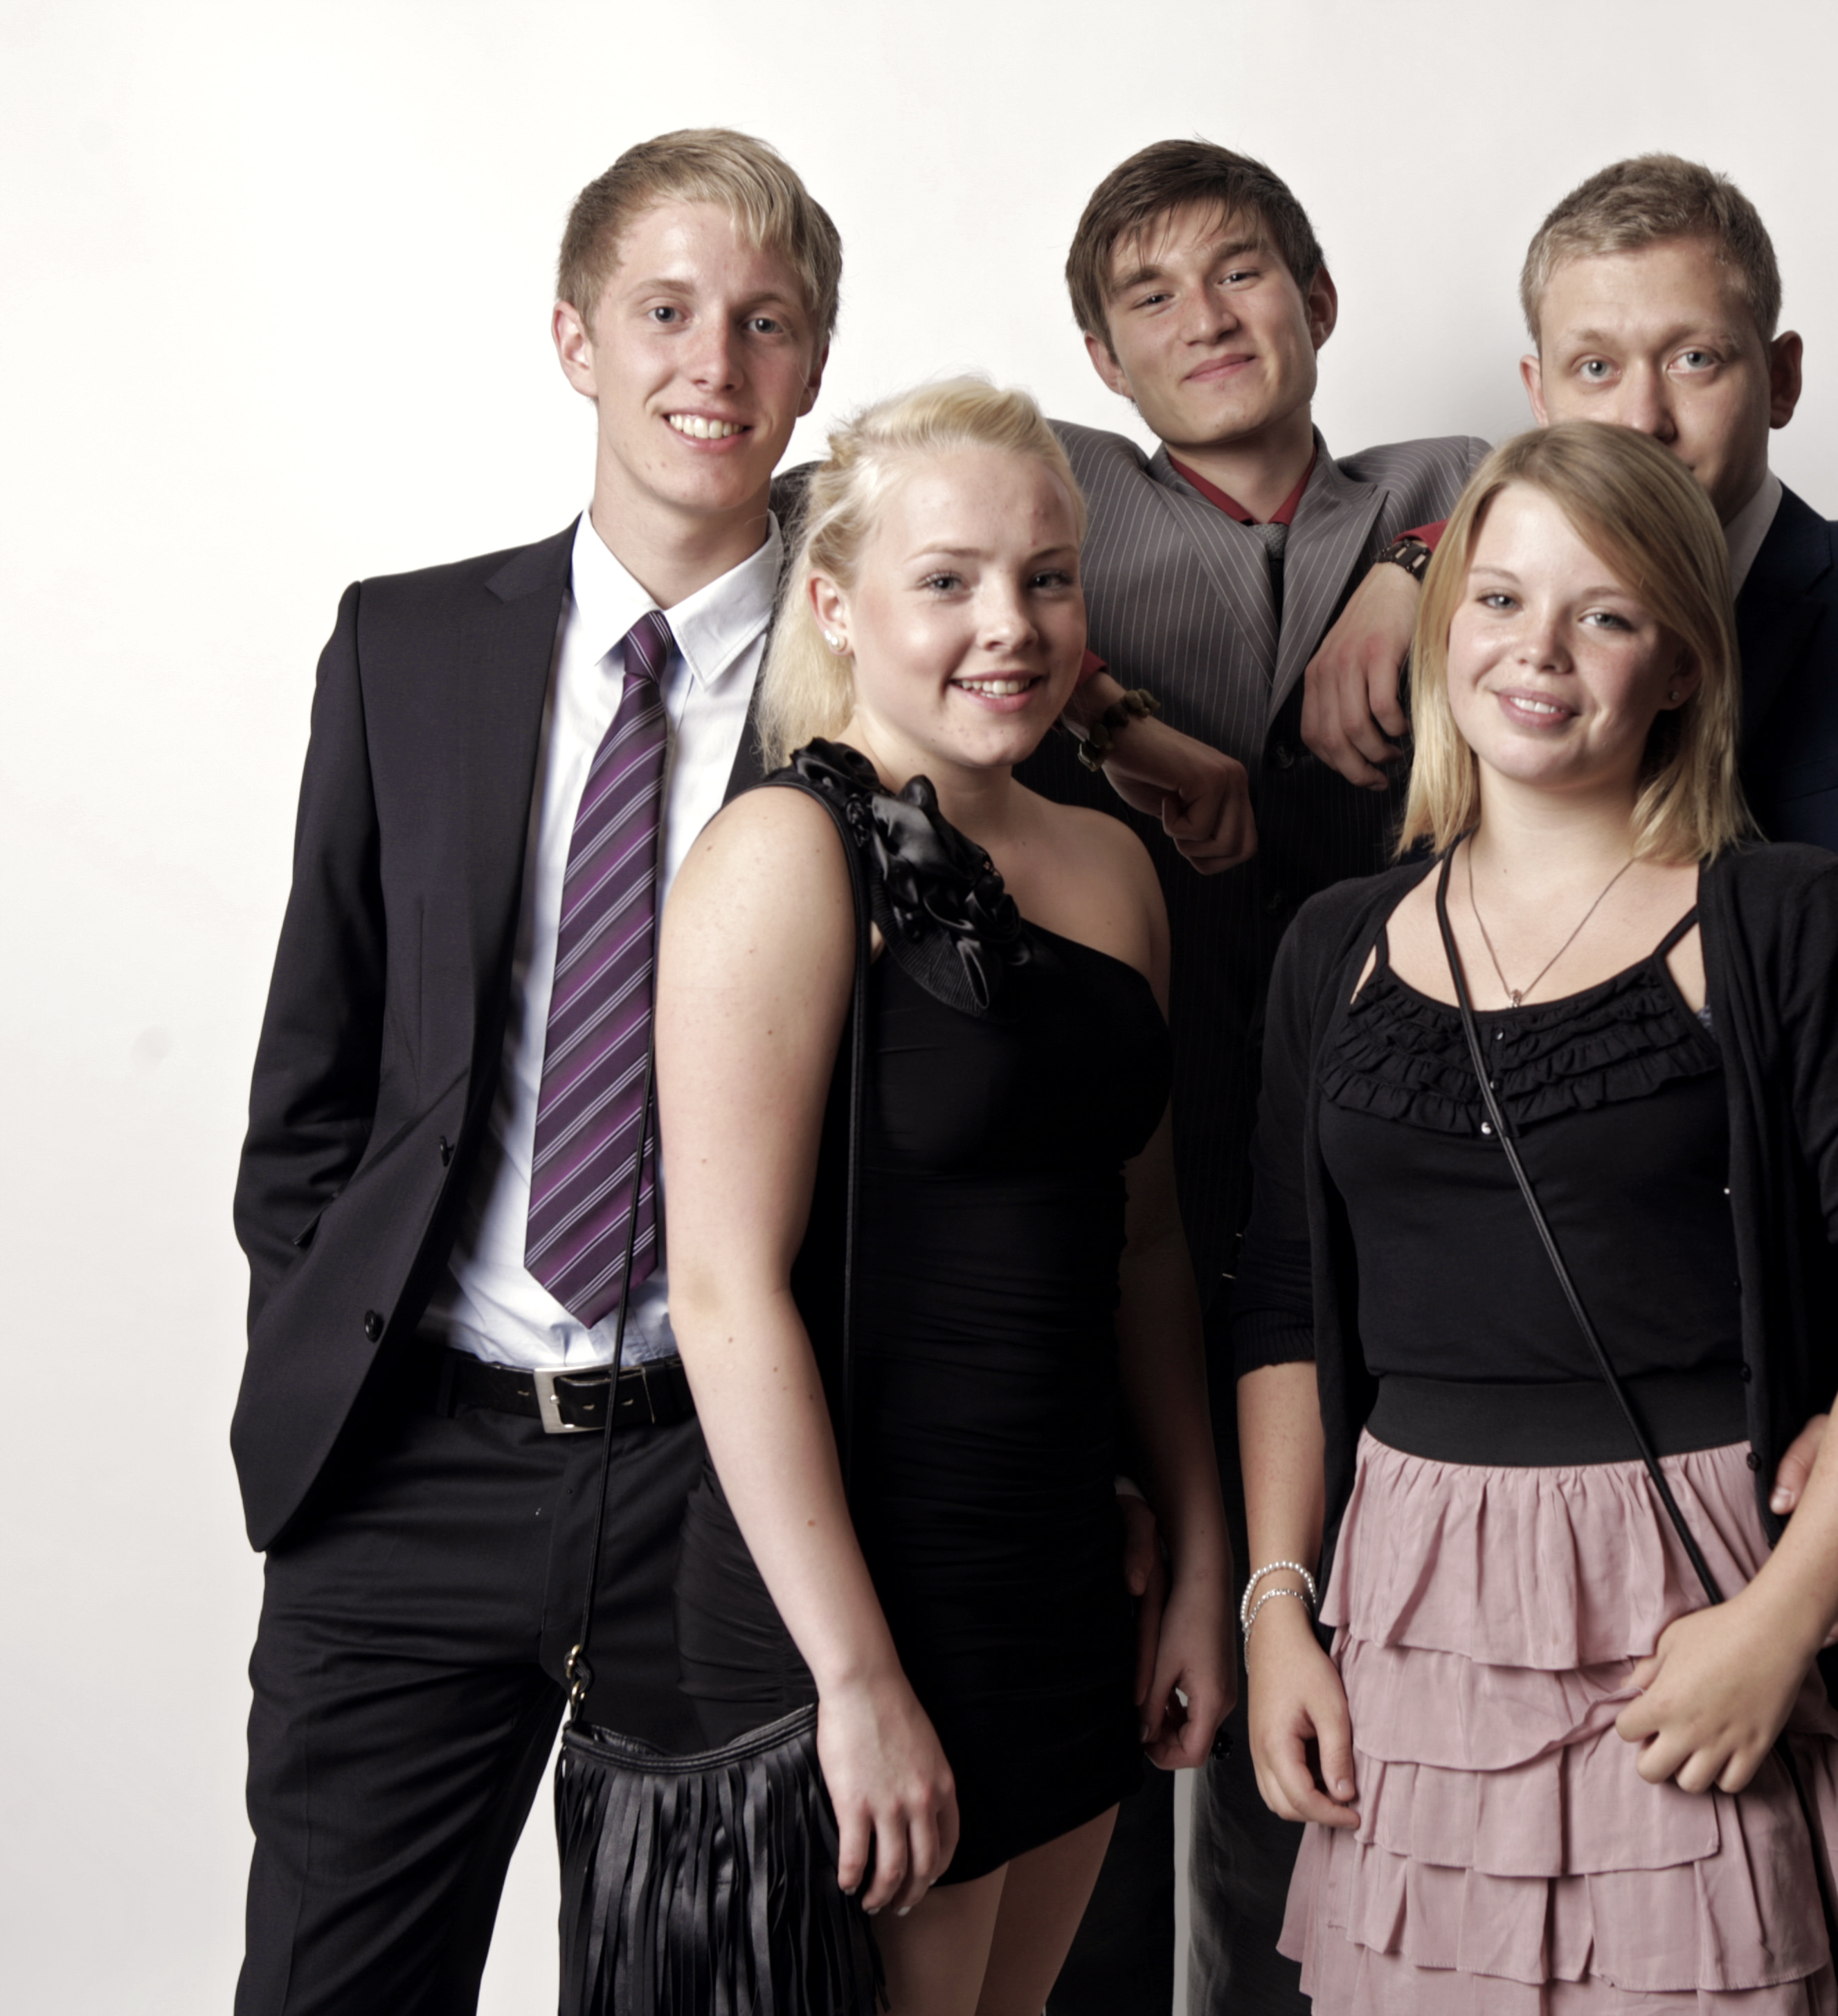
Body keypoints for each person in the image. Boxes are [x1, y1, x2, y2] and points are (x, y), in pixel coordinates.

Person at [1298, 154, 1838, 2013]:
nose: (1647, 412)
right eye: (1598, 366)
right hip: (1547, 1475)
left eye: (1697, 358)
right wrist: (1403, 567)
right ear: (1536, 390)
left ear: (1783, 373)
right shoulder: (1487, 646)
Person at [1235, 420, 1838, 2014]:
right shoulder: (1332, 946)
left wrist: (1783, 1622)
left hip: (1693, 1599)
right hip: (1408, 1616)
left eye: (1603, 614)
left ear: (1682, 665)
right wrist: (1274, 1608)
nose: (1537, 650)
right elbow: (1283, 1307)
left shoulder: (1787, 919)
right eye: (1500, 599)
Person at [228, 130, 836, 2015]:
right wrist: (330, 1359)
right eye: (665, 311)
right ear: (575, 338)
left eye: (764, 322)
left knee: (686, 1988)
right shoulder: (404, 647)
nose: (712, 364)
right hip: (418, 1455)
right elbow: (314, 1077)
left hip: (723, 1485)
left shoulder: (876, 673)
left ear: (814, 365)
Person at [656, 377, 1238, 2016]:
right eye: (948, 579)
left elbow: (1147, 1243)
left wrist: (1202, 1562)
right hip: (852, 1596)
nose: (1011, 625)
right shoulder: (781, 852)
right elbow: (722, 1291)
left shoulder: (1112, 865)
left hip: (1064, 1583)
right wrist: (853, 1678)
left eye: (1047, 578)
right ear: (837, 606)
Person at [1021, 141, 1488, 2015]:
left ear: (1318, 299)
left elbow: (1594, 491)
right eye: (1150, 296)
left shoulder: (1445, 485)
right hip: (1113, 1180)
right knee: (1103, 1701)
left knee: (1337, 1707)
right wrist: (1124, 716)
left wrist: (1410, 579)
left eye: (1241, 273)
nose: (1204, 318)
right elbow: (871, 523)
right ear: (1101, 355)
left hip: (1392, 1198)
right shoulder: (1062, 487)